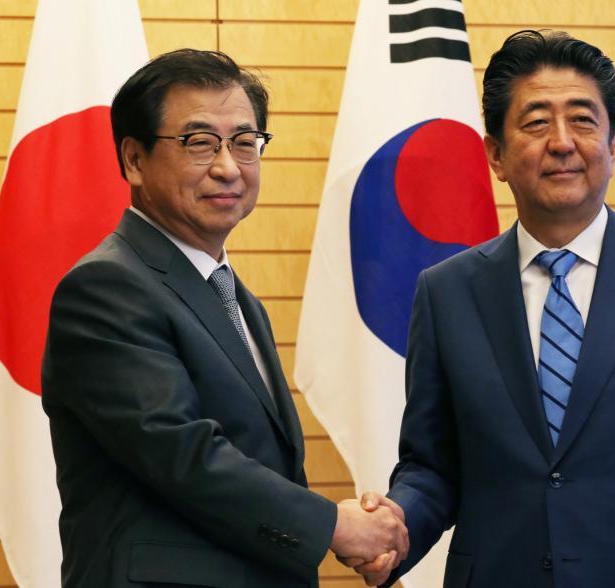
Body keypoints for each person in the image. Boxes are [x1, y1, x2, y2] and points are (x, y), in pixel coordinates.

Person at [354, 30, 615, 587]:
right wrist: (396, 524)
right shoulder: (447, 292)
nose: (561, 141)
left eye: (582, 119)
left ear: (614, 142)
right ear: (496, 155)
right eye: (535, 122)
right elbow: (434, 464)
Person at [41, 49, 407, 587]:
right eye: (199, 142)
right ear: (134, 160)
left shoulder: (234, 296)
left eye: (244, 142)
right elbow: (183, 454)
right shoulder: (107, 287)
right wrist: (334, 526)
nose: (228, 166)